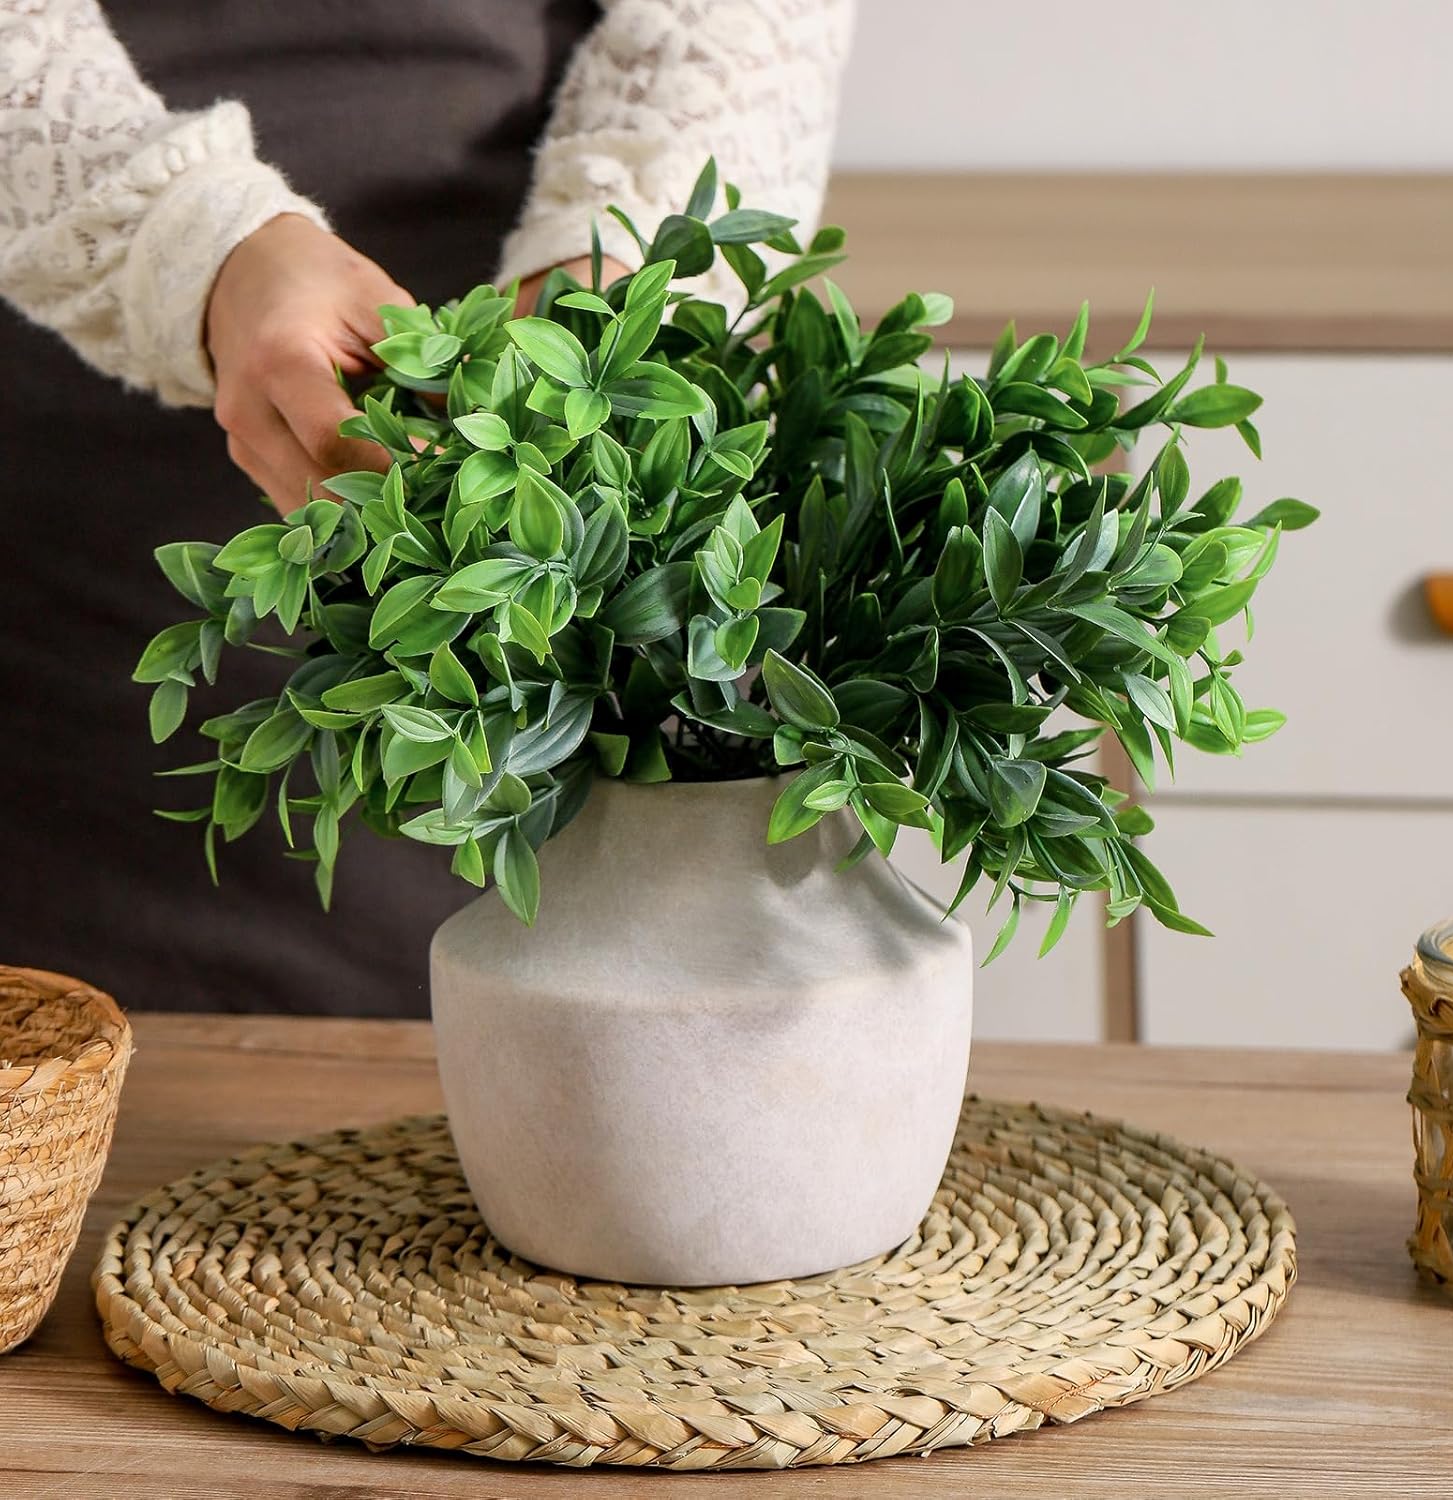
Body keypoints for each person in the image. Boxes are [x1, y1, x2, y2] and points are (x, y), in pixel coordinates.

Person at [0, 0, 854, 1016]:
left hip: (498, 490)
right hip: (46, 484)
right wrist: (189, 239)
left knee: (474, 1059)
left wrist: (618, 278)